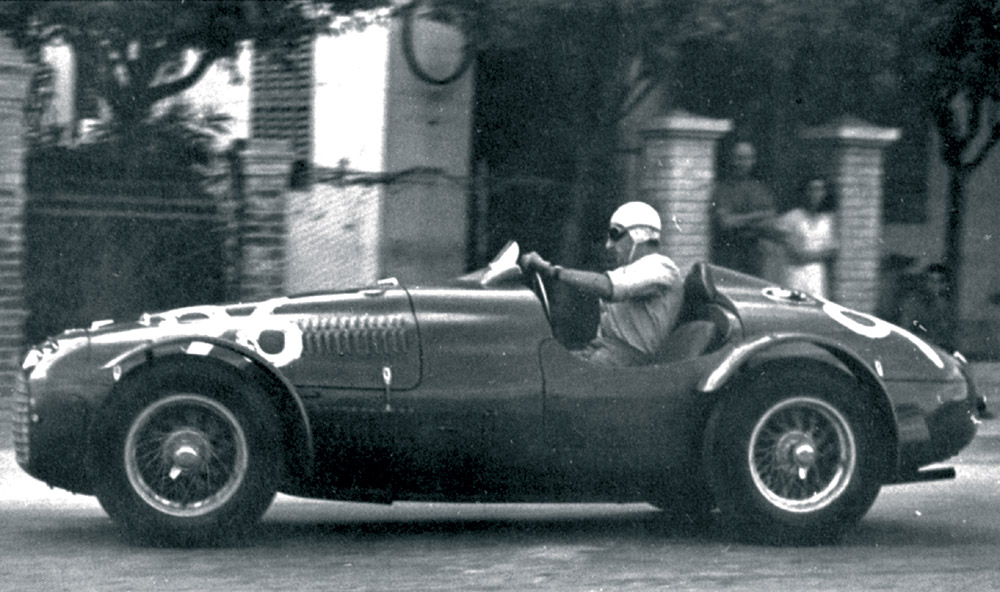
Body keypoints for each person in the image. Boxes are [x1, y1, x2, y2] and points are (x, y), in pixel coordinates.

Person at [520, 201, 684, 366]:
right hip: (606, 353)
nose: (609, 245)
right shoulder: (633, 270)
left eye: (615, 234)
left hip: (630, 362)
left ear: (639, 234)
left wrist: (552, 271)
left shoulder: (660, 266)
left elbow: (608, 287)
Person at [710, 141, 777, 277]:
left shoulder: (759, 189)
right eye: (739, 158)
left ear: (753, 160)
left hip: (754, 256)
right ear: (732, 159)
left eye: (747, 158)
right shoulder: (722, 188)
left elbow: (770, 220)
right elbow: (726, 222)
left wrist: (740, 220)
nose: (742, 163)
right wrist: (758, 216)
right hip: (729, 256)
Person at [767, 177, 838, 297]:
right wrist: (821, 254)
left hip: (817, 276)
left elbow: (833, 251)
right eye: (812, 189)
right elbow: (796, 254)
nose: (815, 194)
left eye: (820, 190)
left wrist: (810, 255)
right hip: (795, 274)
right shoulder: (791, 218)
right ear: (804, 192)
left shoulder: (827, 220)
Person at [897, 263, 954, 351]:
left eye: (939, 282)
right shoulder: (912, 302)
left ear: (945, 285)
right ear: (924, 282)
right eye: (930, 281)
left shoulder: (943, 304)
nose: (934, 285)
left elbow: (945, 333)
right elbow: (906, 329)